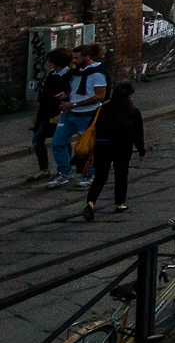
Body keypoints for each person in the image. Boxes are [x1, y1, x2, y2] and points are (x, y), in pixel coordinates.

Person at [82, 82, 144, 221]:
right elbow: (138, 134)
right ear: (128, 96)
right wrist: (141, 150)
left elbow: (93, 126)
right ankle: (119, 203)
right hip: (122, 147)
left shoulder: (102, 109)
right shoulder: (133, 112)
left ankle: (90, 203)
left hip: (102, 146)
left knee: (100, 177)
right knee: (121, 175)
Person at [49, 43, 108, 188]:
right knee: (57, 143)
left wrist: (74, 104)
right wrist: (66, 94)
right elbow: (75, 89)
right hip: (70, 113)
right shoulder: (76, 72)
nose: (73, 61)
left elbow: (99, 96)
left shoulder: (97, 73)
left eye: (76, 58)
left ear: (87, 57)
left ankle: (90, 174)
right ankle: (65, 173)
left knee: (87, 146)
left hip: (87, 114)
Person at [28, 50, 69, 183]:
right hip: (47, 115)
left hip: (60, 114)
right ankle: (44, 169)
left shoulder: (68, 76)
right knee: (37, 139)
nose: (48, 63)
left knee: (62, 141)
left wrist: (61, 114)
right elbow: (45, 97)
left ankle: (66, 168)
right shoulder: (52, 75)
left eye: (50, 61)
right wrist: (38, 115)